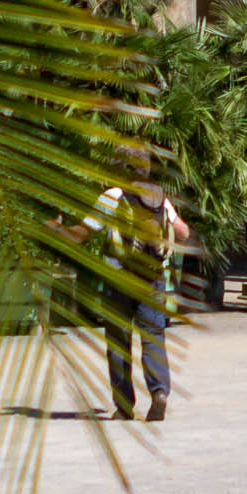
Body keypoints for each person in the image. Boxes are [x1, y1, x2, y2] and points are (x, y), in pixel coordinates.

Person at [80, 177, 193, 421]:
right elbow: (183, 232)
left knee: (118, 343)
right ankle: (159, 392)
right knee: (153, 339)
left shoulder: (112, 196)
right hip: (152, 279)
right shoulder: (157, 197)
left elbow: (86, 230)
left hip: (118, 278)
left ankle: (123, 407)